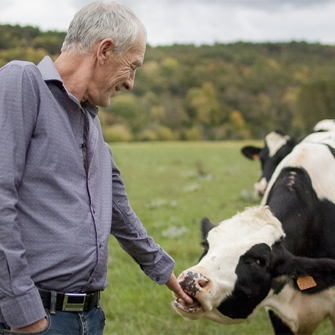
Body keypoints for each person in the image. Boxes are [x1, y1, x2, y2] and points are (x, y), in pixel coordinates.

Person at [0, 1, 192, 333]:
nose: (131, 83)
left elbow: (118, 208)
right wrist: (27, 317)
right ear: (103, 50)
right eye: (132, 66)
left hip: (89, 317)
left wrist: (166, 274)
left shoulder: (91, 121)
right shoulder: (23, 82)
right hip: (38, 318)